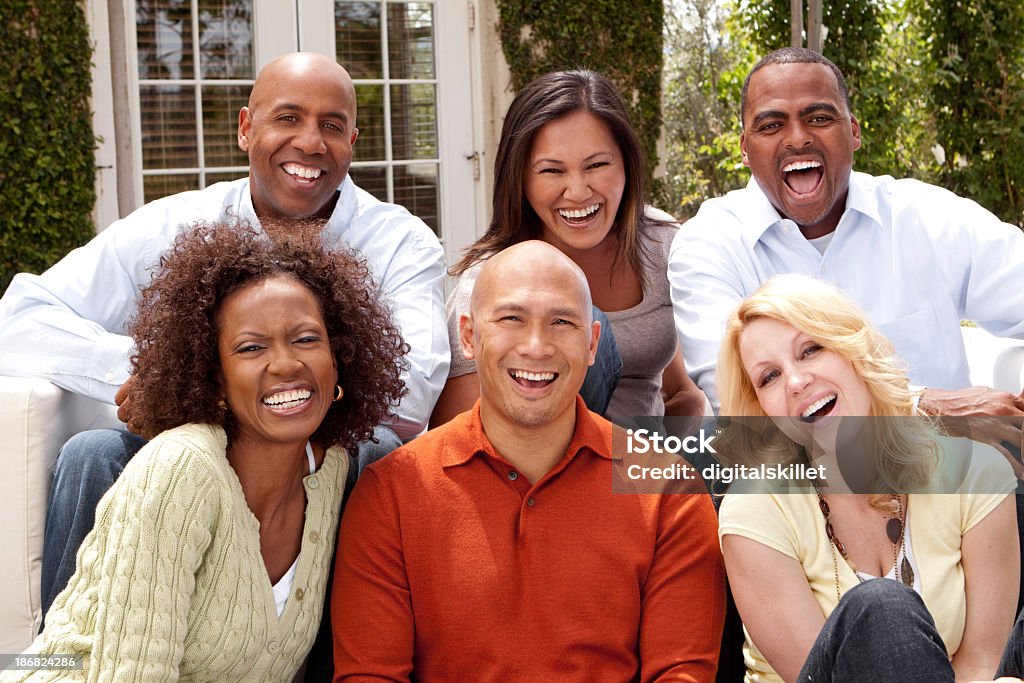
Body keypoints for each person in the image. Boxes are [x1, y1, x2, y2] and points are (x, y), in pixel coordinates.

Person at [0, 51, 449, 615]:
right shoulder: (176, 224)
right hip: (189, 446)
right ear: (245, 127)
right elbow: (18, 317)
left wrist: (247, 405)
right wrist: (150, 377)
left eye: (331, 126)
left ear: (352, 141)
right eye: (288, 118)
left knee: (379, 451)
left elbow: (406, 397)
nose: (310, 142)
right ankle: (59, 664)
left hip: (318, 449)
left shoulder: (399, 243)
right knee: (92, 454)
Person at [0, 221, 407, 681]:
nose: (287, 363)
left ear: (340, 357)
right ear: (213, 377)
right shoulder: (180, 469)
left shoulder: (330, 472)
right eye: (251, 347)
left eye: (307, 339)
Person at [332, 240, 725, 681]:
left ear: (592, 343)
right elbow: (369, 675)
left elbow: (680, 674)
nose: (536, 346)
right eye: (511, 319)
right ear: (468, 335)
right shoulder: (392, 493)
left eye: (562, 322)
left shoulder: (668, 491)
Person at [668, 47, 1024, 429]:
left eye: (819, 117)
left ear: (853, 132)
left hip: (956, 475)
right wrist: (921, 405)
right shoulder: (710, 244)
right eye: (771, 125)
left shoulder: (925, 215)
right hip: (803, 481)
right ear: (744, 149)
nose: (797, 138)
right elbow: (742, 408)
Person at [715, 274, 1021, 682]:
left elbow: (982, 664)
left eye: (811, 350)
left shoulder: (976, 474)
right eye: (769, 377)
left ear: (855, 350)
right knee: (881, 609)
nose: (795, 381)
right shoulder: (754, 509)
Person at [430, 69, 707, 426]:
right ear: (520, 179)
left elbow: (683, 391)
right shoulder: (491, 278)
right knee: (582, 319)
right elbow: (455, 433)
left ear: (627, 164)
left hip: (639, 464)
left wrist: (676, 460)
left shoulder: (661, 244)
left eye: (597, 165)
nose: (577, 192)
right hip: (544, 467)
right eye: (551, 171)